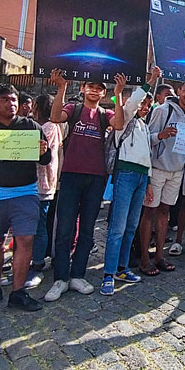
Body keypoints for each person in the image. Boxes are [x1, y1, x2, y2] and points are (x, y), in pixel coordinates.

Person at [0, 85, 51, 311]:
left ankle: (18, 292)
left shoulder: (31, 127)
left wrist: (43, 151)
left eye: (14, 100)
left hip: (25, 191)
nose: (11, 104)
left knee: (25, 240)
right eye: (5, 100)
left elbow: (45, 160)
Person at [45, 72, 124, 301]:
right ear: (83, 88)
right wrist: (61, 87)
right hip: (70, 175)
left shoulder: (104, 113)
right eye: (91, 86)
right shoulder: (74, 108)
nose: (94, 90)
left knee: (87, 229)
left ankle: (78, 274)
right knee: (65, 229)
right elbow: (55, 117)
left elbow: (118, 123)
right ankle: (61, 277)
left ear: (104, 92)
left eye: (100, 88)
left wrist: (118, 96)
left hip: (96, 178)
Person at [101, 67, 160, 295]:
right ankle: (108, 273)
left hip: (140, 176)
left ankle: (123, 267)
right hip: (125, 175)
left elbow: (147, 156)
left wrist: (148, 182)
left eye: (148, 105)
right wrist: (151, 81)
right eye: (142, 104)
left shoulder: (144, 127)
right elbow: (133, 101)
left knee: (131, 226)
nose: (144, 108)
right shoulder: (124, 118)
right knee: (117, 226)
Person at [137, 82, 185, 275]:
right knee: (149, 212)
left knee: (165, 211)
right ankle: (145, 259)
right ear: (179, 91)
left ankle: (159, 257)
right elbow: (147, 137)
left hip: (177, 169)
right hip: (158, 167)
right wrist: (161, 135)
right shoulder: (163, 110)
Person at [28, 94, 63, 289]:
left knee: (39, 224)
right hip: (41, 183)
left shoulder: (48, 127)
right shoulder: (50, 126)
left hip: (41, 183)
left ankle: (38, 262)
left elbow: (42, 155)